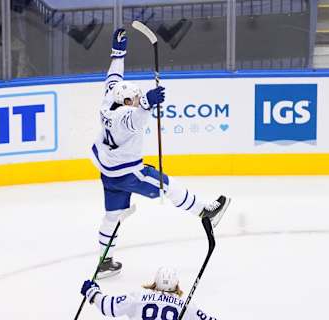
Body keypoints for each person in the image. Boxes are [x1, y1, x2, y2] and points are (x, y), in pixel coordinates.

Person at [90, 28, 231, 279]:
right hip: (128, 173)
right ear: (125, 103)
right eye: (132, 98)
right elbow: (136, 116)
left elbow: (114, 75)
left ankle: (104, 262)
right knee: (167, 184)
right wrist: (148, 102)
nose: (135, 99)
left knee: (113, 215)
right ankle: (204, 212)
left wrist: (118, 53)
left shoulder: (108, 98)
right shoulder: (125, 118)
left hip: (107, 171)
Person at [81, 267, 217, 320]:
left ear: (155, 283)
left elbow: (108, 307)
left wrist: (92, 291)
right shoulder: (186, 305)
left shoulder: (138, 297)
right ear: (176, 284)